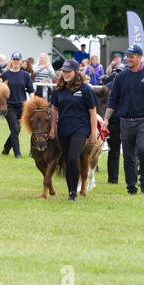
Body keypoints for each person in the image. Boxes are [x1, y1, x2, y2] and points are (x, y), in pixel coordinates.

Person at [50, 60, 98, 201]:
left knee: (72, 157)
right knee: (67, 160)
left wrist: (93, 132)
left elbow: (93, 111)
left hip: (80, 129)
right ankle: (71, 191)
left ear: (76, 72)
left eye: (69, 71)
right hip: (64, 129)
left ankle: (73, 194)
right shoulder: (59, 90)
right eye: (64, 71)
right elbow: (54, 109)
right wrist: (53, 127)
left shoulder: (85, 89)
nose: (66, 74)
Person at [102, 45, 144, 195]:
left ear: (139, 57)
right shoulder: (121, 77)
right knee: (127, 156)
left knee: (142, 149)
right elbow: (113, 100)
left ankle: (143, 180)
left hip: (142, 121)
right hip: (125, 121)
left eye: (131, 56)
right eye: (127, 56)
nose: (128, 59)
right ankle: (131, 187)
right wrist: (106, 119)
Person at [0, 52, 35, 159]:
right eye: (14, 60)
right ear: (11, 61)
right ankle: (17, 154)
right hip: (9, 106)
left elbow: (31, 91)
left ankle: (6, 148)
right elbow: (0, 90)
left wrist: (32, 104)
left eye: (18, 60)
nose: (16, 62)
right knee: (15, 129)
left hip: (22, 107)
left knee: (17, 130)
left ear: (21, 62)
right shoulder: (4, 75)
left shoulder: (25, 76)